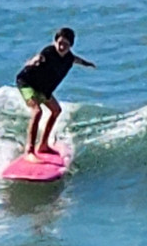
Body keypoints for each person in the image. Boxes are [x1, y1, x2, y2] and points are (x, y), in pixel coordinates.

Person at [15, 27, 95, 161]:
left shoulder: (69, 58)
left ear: (71, 46)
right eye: (60, 43)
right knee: (37, 111)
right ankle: (29, 151)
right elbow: (39, 57)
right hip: (27, 83)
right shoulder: (48, 52)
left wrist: (87, 64)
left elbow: (76, 59)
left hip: (43, 88)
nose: (62, 47)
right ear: (55, 42)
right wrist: (33, 61)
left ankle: (43, 145)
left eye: (66, 44)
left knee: (56, 110)